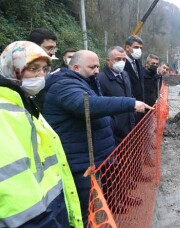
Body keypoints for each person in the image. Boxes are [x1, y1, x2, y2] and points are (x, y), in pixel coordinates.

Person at [42, 50, 153, 225]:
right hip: (79, 160)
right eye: (92, 67)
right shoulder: (63, 85)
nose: (96, 71)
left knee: (96, 201)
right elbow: (87, 104)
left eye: (97, 66)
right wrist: (130, 103)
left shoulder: (85, 81)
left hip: (91, 154)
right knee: (84, 210)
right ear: (76, 67)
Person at [0, 41, 83, 227]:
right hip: (32, 218)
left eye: (45, 69)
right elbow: (9, 181)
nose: (41, 75)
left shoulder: (24, 103)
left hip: (49, 207)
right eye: (33, 68)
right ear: (11, 68)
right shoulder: (4, 110)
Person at [98, 46, 136, 144]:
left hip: (129, 128)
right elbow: (100, 106)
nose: (121, 62)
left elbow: (130, 95)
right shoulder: (100, 79)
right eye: (117, 59)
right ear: (108, 60)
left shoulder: (125, 75)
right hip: (114, 133)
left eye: (123, 59)